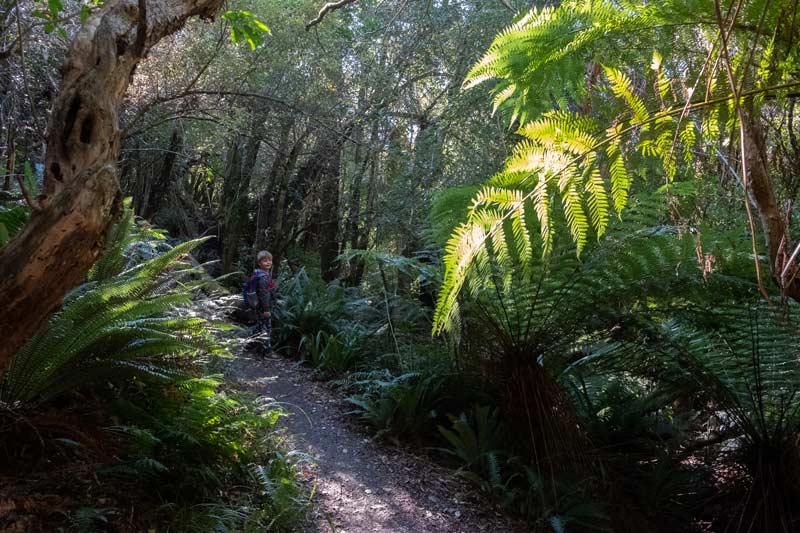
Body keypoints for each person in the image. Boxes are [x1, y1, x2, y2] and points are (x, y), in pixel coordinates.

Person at [254, 250, 278, 354]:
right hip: (263, 308)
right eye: (265, 261)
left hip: (260, 307)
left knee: (260, 326)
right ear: (259, 263)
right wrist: (266, 309)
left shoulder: (262, 274)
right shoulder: (263, 277)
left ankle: (254, 345)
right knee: (266, 328)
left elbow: (271, 289)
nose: (268, 262)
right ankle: (266, 351)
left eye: (270, 260)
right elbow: (264, 294)